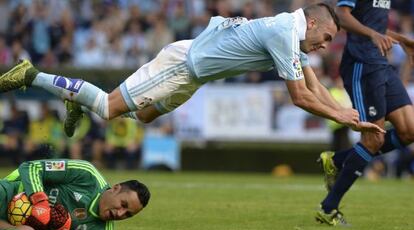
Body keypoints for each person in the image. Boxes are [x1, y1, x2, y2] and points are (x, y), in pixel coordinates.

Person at [0, 3, 383, 137]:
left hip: (195, 76)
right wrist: (341, 116)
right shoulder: (284, 31)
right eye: (329, 36)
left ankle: (76, 99)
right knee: (109, 107)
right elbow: (300, 97)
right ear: (313, 23)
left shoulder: (292, 32)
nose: (327, 46)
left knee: (146, 116)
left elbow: (312, 81)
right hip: (184, 65)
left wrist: (342, 112)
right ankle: (32, 74)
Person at [315, 0, 414, 226]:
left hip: (381, 65)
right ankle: (328, 208)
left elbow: (371, 25)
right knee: (374, 138)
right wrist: (373, 34)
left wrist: (400, 39)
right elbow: (341, 15)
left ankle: (337, 160)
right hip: (362, 64)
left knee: (409, 131)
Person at [0, 159, 150, 230]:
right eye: (123, 205)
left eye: (128, 214)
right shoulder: (87, 173)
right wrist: (40, 202)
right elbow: (31, 167)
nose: (120, 213)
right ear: (116, 188)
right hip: (10, 194)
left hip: (10, 225)